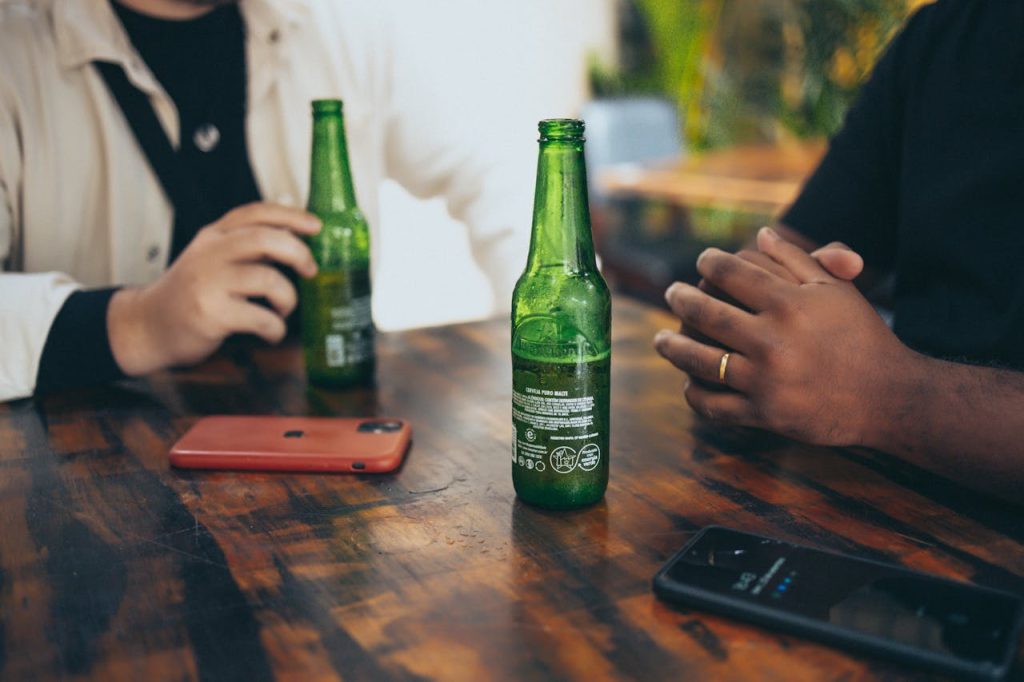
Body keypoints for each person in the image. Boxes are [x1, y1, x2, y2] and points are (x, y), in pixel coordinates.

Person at [0, 0, 530, 401]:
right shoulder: (15, 48)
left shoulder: (342, 25)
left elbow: (488, 177)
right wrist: (139, 322)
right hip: (92, 492)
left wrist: (551, 344)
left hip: (336, 452)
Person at [654, 0, 1024, 503]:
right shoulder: (948, 33)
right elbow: (798, 244)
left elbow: (865, 389)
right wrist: (749, 320)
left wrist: (882, 395)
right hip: (883, 504)